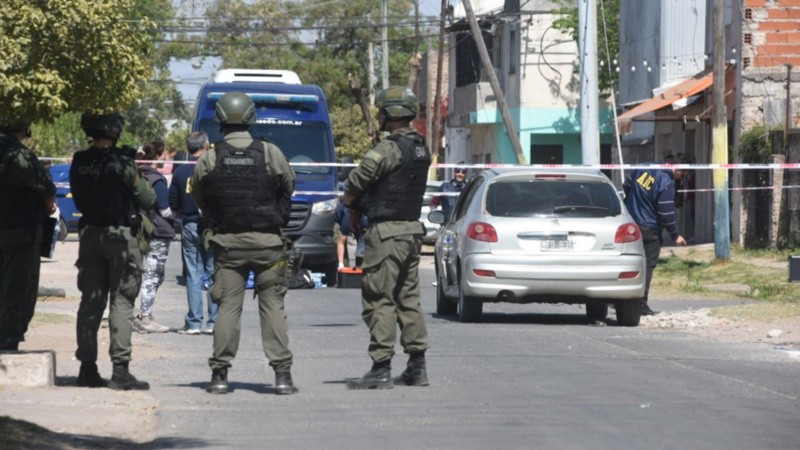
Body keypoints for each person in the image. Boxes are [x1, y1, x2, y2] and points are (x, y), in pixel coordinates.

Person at [191, 91, 298, 395]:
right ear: (251, 117)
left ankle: (220, 376)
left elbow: (200, 197)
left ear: (221, 120)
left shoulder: (210, 157)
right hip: (269, 244)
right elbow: (288, 187)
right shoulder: (270, 152)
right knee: (273, 307)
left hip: (228, 246)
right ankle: (282, 377)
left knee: (227, 309)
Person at [342, 86, 432, 389]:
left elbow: (357, 180)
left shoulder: (388, 148)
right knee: (409, 299)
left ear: (392, 114)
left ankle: (380, 367)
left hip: (387, 233)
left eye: (381, 111)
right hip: (411, 231)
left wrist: (350, 203)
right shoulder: (421, 147)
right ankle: (417, 367)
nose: (378, 115)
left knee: (380, 298)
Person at [70, 112, 155, 390]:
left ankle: (87, 368)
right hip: (120, 238)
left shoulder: (79, 161)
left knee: (91, 302)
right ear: (115, 133)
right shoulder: (123, 163)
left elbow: (79, 196)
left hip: (90, 234)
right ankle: (120, 371)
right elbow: (148, 198)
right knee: (122, 302)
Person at [0, 118, 57, 351]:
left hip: (15, 229)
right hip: (19, 231)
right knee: (19, 286)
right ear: (24, 128)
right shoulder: (20, 154)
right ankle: (8, 338)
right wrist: (48, 205)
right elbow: (46, 188)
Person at [623, 162, 687, 316]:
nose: (681, 177)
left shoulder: (641, 168)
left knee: (628, 262)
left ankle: (620, 299)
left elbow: (626, 185)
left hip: (630, 224)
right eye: (682, 174)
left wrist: (634, 203)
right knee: (647, 266)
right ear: (677, 169)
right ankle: (640, 304)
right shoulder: (666, 182)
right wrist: (675, 236)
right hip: (649, 228)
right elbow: (666, 213)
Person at [170, 131, 218, 335]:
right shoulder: (213, 168)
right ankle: (214, 322)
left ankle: (194, 322)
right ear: (206, 146)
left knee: (193, 274)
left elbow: (173, 204)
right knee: (214, 272)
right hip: (212, 227)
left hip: (189, 225)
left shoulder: (180, 172)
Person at [133, 141, 174, 334]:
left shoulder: (137, 174)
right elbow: (164, 210)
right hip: (158, 230)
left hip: (140, 230)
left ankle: (138, 314)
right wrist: (180, 216)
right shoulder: (157, 180)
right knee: (153, 275)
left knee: (145, 274)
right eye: (165, 154)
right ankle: (145, 316)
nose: (167, 157)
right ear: (157, 156)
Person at [333, 198, 367, 269]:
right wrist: (341, 264)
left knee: (363, 246)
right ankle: (344, 269)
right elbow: (341, 243)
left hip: (359, 221)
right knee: (338, 241)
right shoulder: (346, 220)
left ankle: (359, 267)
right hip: (340, 220)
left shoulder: (365, 221)